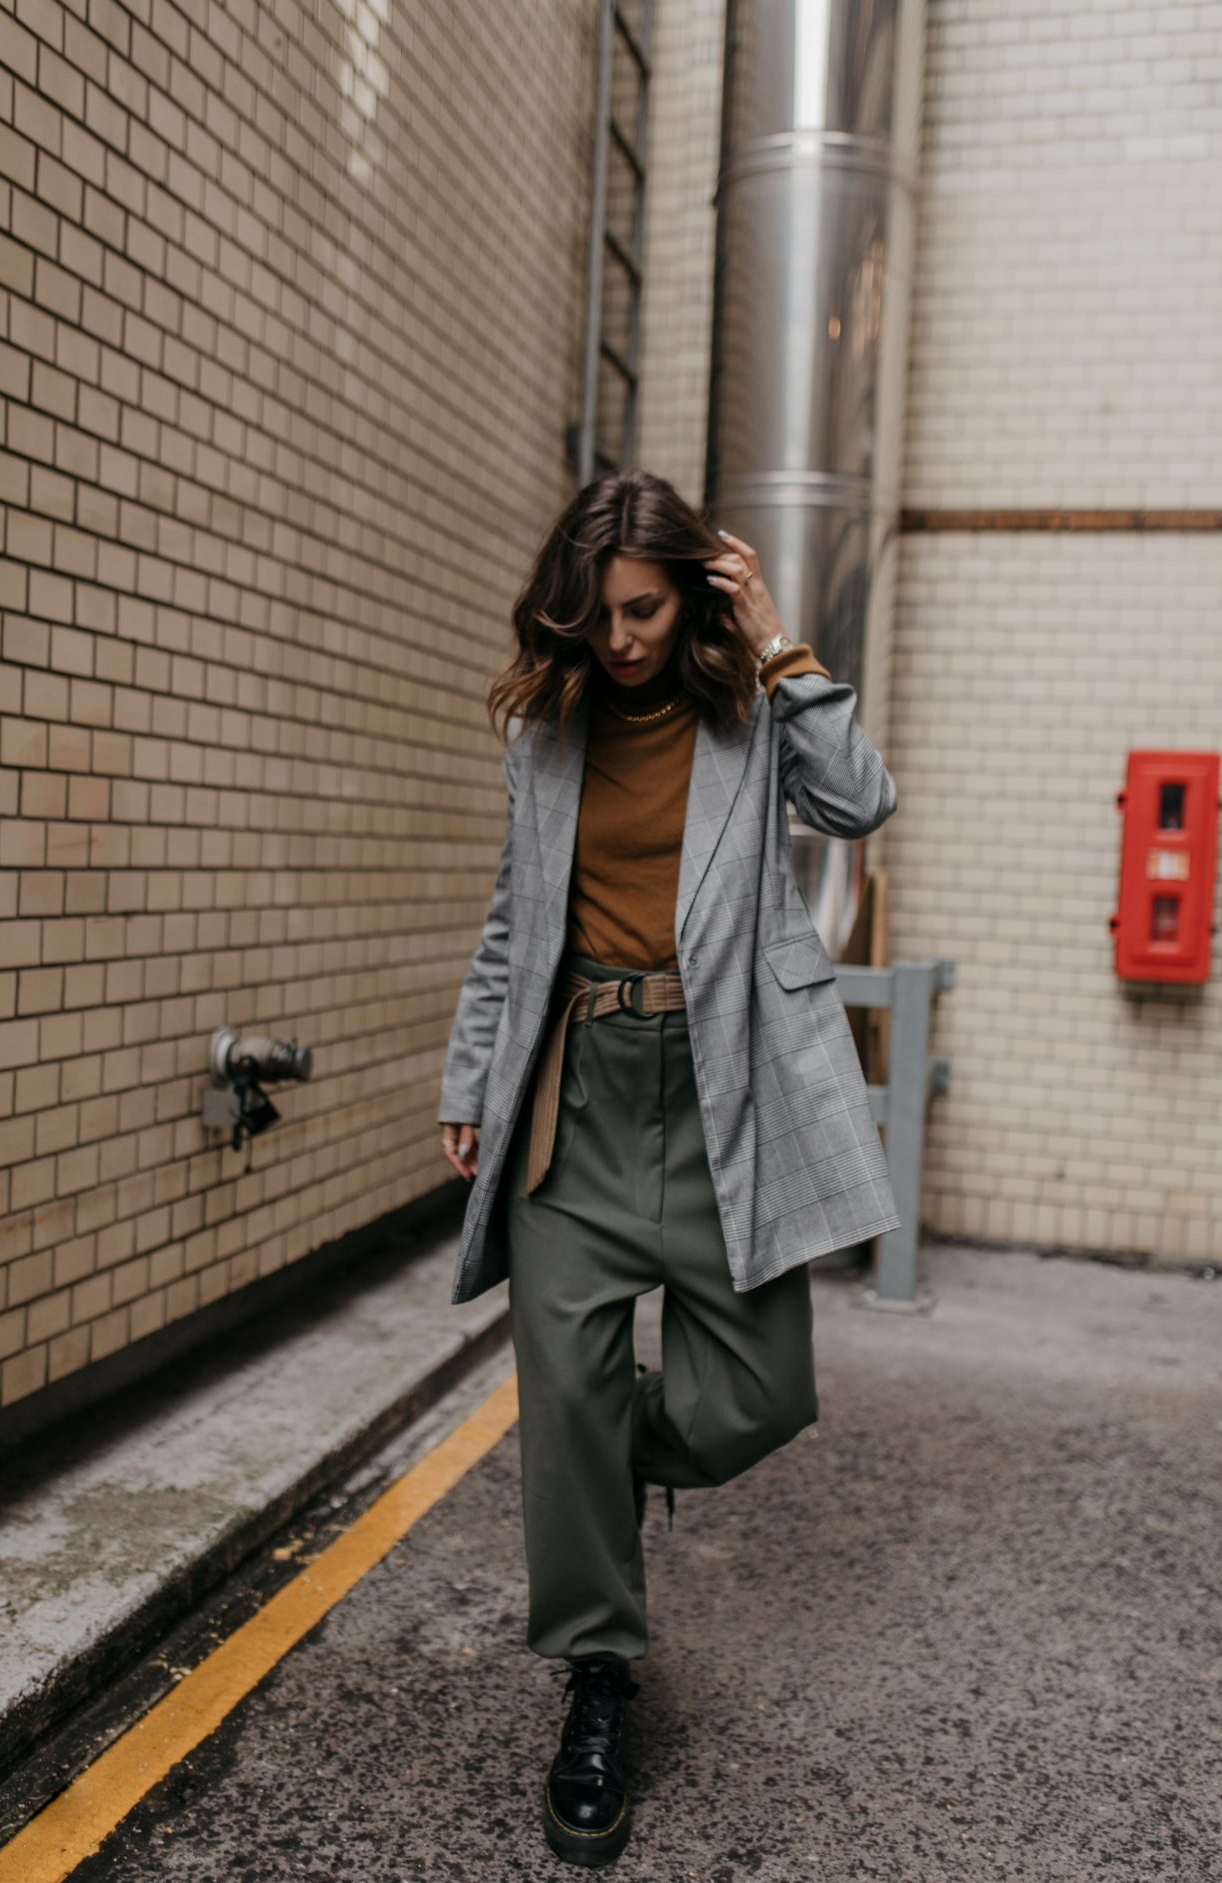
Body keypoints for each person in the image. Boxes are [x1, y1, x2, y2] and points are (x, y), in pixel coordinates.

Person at [437, 469, 899, 1866]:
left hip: (720, 1095)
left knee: (760, 1394)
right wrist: (472, 1081)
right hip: (575, 1092)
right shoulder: (549, 726)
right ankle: (597, 1681)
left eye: (642, 608)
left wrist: (776, 636)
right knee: (564, 1370)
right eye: (595, 613)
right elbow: (516, 925)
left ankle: (585, 1460)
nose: (620, 637)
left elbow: (862, 805)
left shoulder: (748, 710)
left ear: (689, 592)